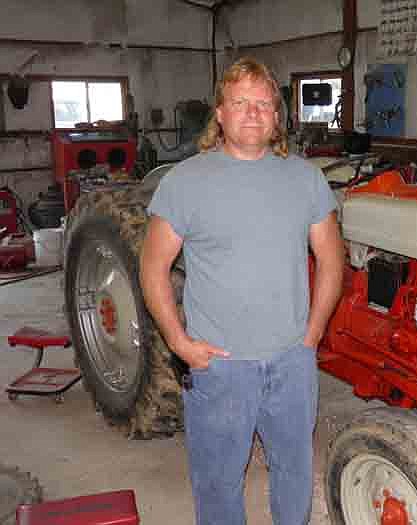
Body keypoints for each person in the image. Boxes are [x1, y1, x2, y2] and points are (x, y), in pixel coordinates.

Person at [139, 57, 344, 525]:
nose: (252, 113)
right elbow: (153, 267)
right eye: (240, 103)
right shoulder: (184, 181)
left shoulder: (305, 179)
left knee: (293, 472)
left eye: (263, 104)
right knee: (217, 482)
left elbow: (332, 260)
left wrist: (310, 337)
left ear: (277, 115)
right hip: (220, 367)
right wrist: (179, 343)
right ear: (220, 113)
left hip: (292, 362)